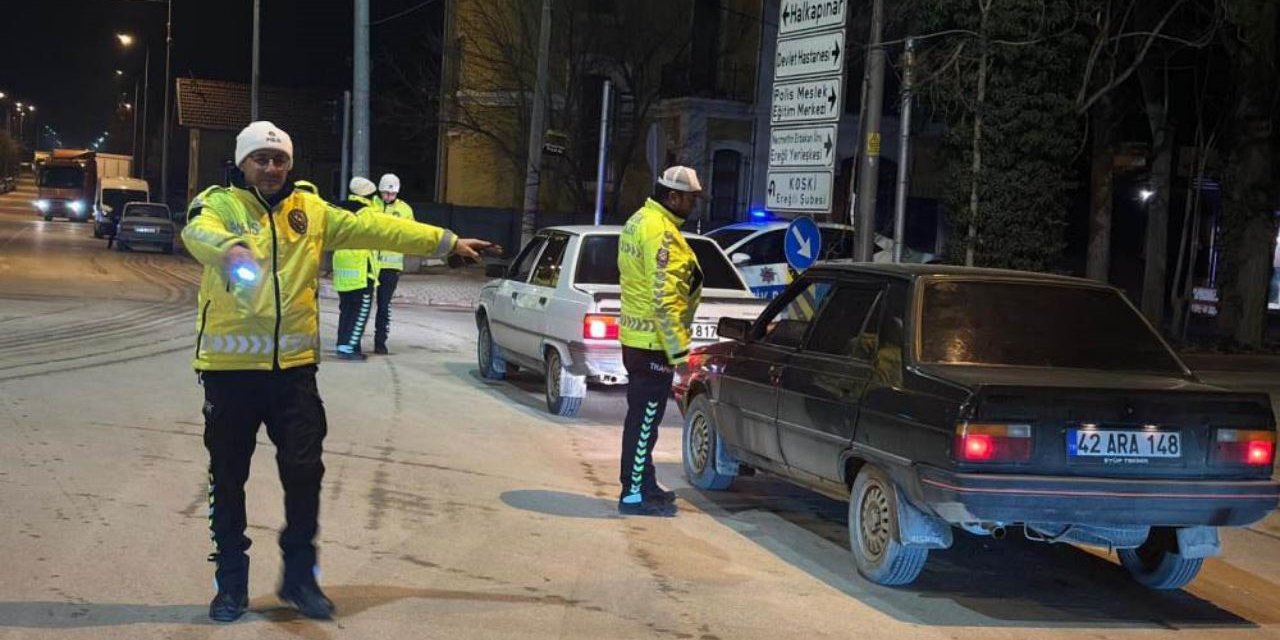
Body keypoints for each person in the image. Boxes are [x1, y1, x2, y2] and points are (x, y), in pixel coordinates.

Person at [182, 122, 494, 622]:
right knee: (228, 478)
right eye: (260, 159)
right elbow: (197, 231)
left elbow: (380, 228)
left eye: (279, 159)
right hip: (230, 372)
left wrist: (447, 241)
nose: (270, 167)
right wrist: (229, 250)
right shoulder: (220, 204)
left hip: (294, 375)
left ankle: (300, 579)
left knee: (305, 475)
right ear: (243, 163)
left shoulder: (311, 210)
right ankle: (232, 584)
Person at [616, 165, 705, 518]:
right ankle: (634, 494)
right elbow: (664, 297)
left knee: (642, 419)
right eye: (690, 198)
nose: (693, 205)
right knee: (645, 420)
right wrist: (679, 353)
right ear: (672, 196)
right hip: (653, 344)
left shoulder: (641, 220)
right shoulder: (660, 232)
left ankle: (644, 482)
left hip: (638, 338)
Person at [331, 177, 380, 361]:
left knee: (346, 310)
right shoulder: (367, 212)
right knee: (360, 310)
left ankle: (342, 344)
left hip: (343, 269)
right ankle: (349, 348)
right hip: (360, 269)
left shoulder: (340, 209)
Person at [371, 173, 413, 355]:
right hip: (370, 263)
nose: (388, 197)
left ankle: (380, 342)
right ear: (380, 191)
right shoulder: (371, 205)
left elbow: (411, 233)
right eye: (385, 193)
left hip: (391, 267)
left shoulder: (405, 210)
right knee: (363, 304)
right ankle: (353, 340)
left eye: (392, 194)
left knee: (384, 305)